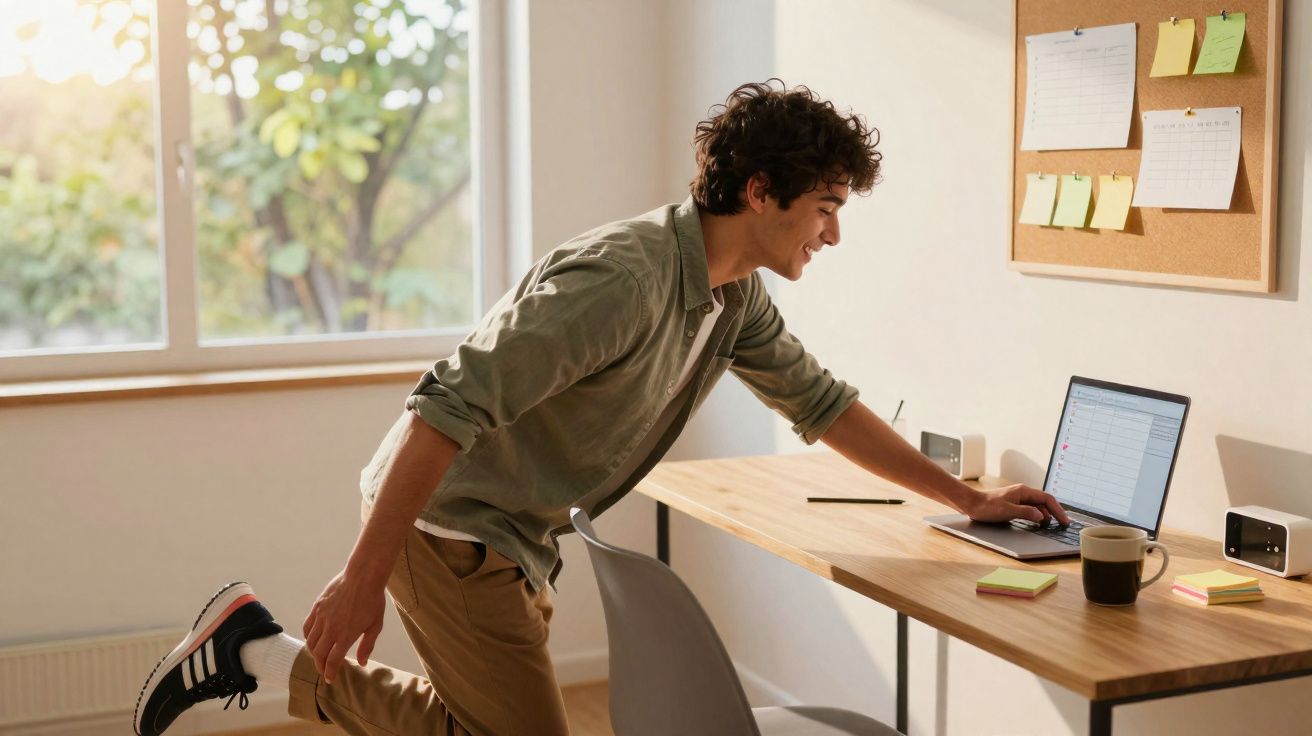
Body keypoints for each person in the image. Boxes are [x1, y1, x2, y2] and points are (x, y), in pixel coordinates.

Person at [134, 79, 1069, 736]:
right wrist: (362, 575)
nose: (834, 232)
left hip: (514, 535)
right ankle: (264, 660)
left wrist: (966, 499)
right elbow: (445, 405)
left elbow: (821, 403)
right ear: (759, 191)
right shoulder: (622, 280)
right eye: (825, 206)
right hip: (448, 525)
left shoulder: (731, 295)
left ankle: (256, 652)